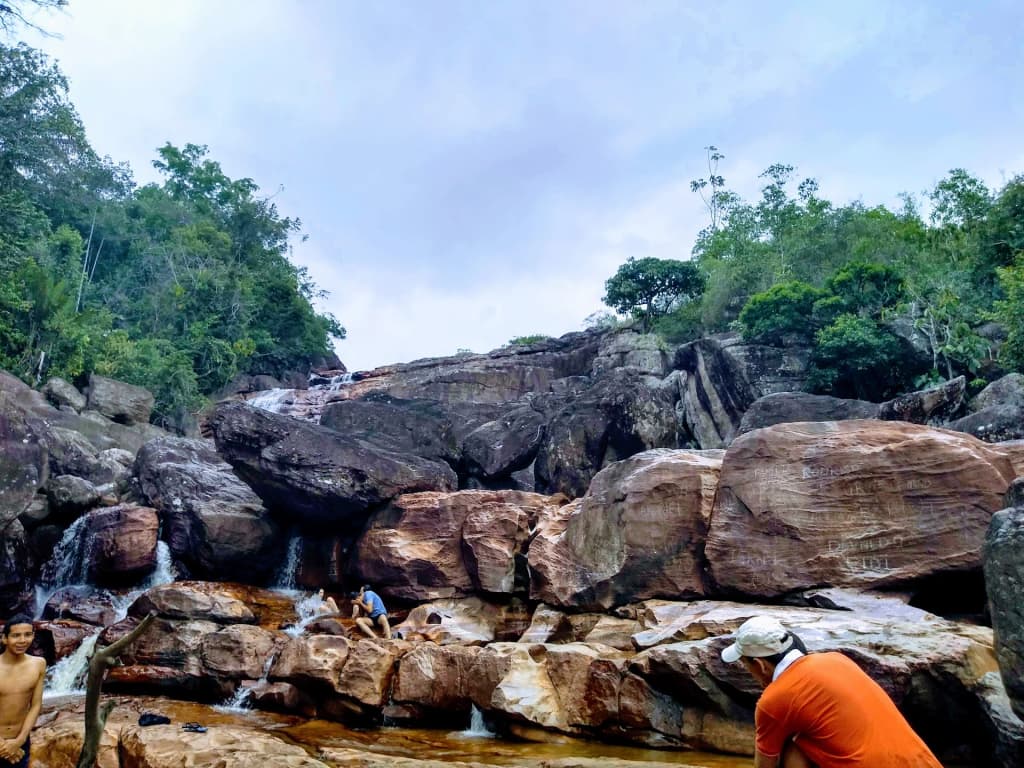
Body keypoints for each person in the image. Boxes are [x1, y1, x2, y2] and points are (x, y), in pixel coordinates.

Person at [720, 615, 942, 768]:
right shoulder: (837, 660)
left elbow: (765, 766)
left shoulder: (774, 700)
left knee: (793, 745)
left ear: (760, 665)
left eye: (746, 666)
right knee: (804, 741)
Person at [0, 615, 45, 768]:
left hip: (20, 743)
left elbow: (35, 705)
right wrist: (3, 746)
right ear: (4, 639)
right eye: (16, 635)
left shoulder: (38, 664)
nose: (22, 640)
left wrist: (19, 741)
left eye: (27, 634)